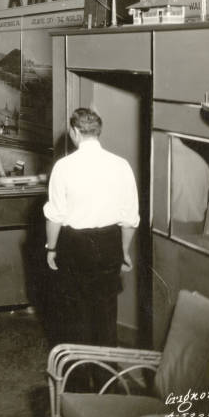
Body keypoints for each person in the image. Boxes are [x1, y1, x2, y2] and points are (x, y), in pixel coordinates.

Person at [43, 108, 139, 349]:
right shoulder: (121, 165)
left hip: (75, 246)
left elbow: (55, 216)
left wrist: (51, 248)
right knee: (106, 314)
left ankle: (77, 380)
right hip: (109, 243)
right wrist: (123, 251)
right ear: (98, 132)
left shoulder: (63, 167)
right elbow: (130, 218)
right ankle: (105, 380)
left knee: (75, 315)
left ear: (75, 132)